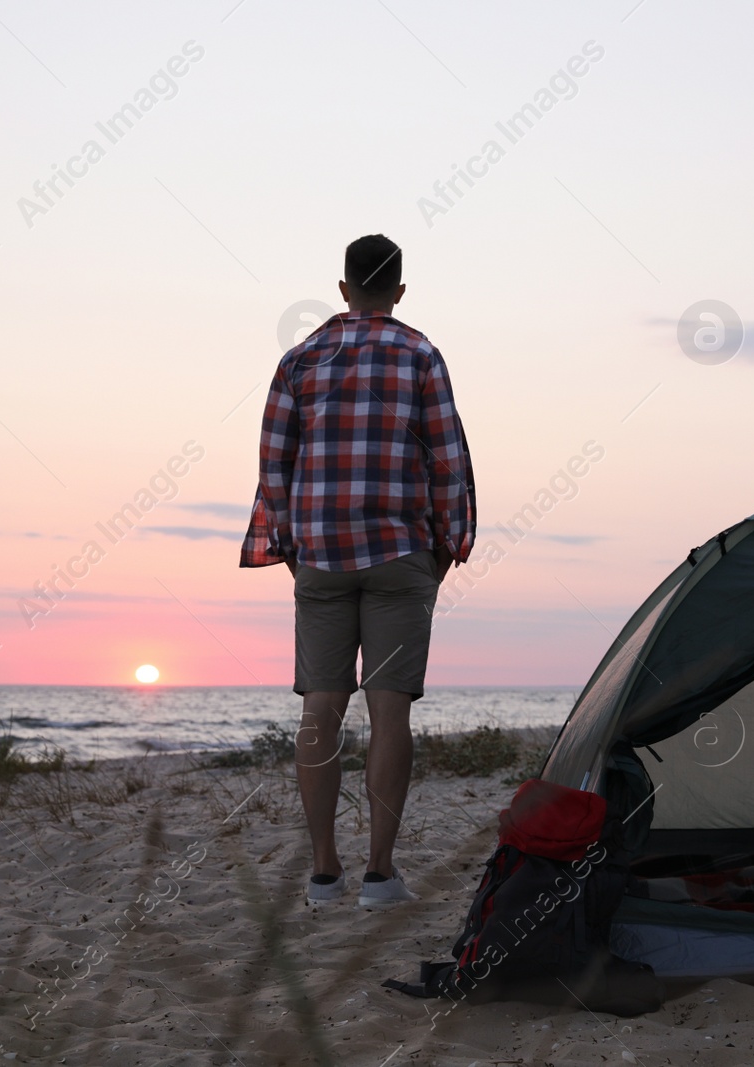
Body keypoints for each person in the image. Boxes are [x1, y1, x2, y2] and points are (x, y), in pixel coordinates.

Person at [241, 234, 476, 906]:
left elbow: (272, 466)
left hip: (319, 554)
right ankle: (379, 872)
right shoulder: (421, 354)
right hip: (401, 551)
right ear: (399, 291)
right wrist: (446, 548)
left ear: (342, 288)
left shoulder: (299, 359)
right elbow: (448, 461)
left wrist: (290, 545)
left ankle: (322, 872)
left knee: (320, 705)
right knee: (389, 708)